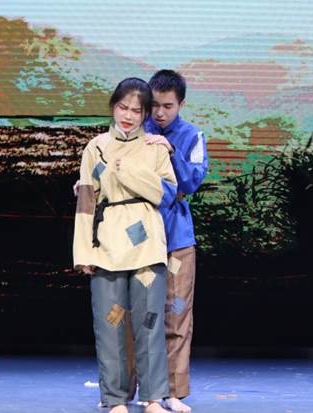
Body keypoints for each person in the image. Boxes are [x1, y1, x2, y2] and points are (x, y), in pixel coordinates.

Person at [73, 77, 178, 413]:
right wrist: (83, 253)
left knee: (149, 322)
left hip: (147, 244)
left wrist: (126, 171)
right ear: (113, 107)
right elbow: (86, 201)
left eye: (136, 110)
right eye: (123, 107)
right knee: (111, 324)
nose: (129, 116)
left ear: (145, 113)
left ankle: (153, 397)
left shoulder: (156, 147)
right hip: (107, 245)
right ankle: (115, 399)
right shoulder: (96, 147)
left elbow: (165, 193)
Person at [141, 69, 209, 413]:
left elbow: (191, 183)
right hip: (138, 239)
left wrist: (170, 151)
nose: (159, 113)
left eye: (167, 106)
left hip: (176, 239)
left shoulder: (192, 136)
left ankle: (173, 392)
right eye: (154, 105)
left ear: (180, 103)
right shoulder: (137, 131)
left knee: (177, 313)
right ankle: (133, 389)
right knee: (137, 314)